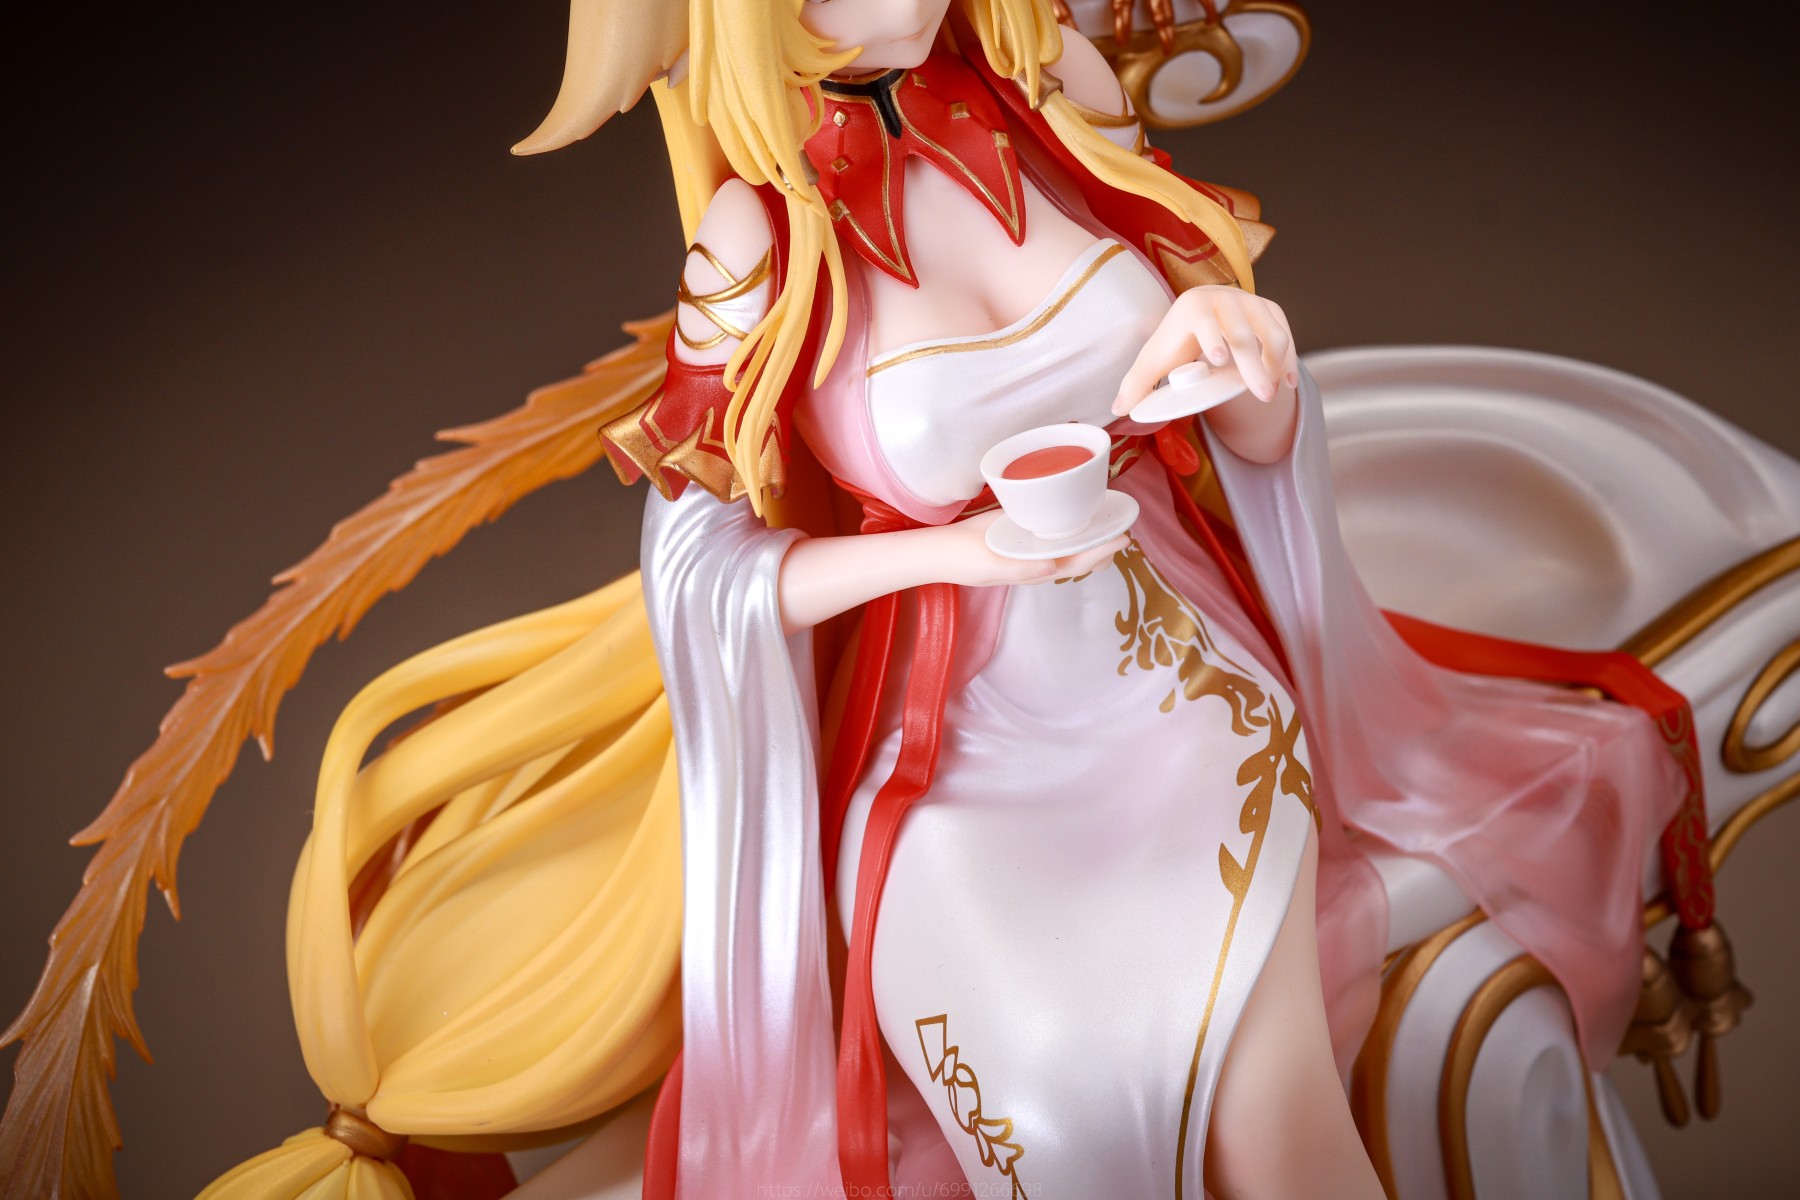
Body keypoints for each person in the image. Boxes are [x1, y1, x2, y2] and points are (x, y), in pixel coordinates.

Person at [2, 4, 1699, 1199]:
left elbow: (1233, 406)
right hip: (956, 752)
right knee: (1066, 1102)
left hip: (1187, 696)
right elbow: (700, 567)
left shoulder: (1059, 100)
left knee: (1283, 1140)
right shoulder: (755, 243)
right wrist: (953, 557)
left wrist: (1250, 374)